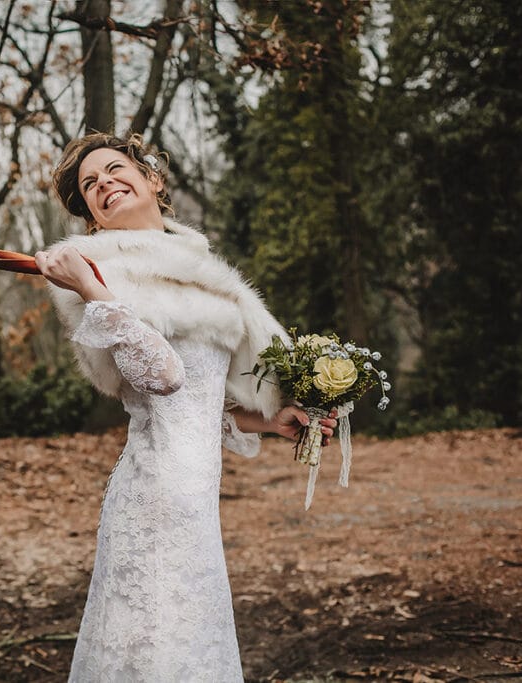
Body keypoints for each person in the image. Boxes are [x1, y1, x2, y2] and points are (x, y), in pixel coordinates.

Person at [35, 132, 337, 682]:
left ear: (152, 178)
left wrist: (269, 420)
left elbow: (198, 402)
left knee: (189, 643)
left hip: (196, 500)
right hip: (150, 497)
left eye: (113, 170)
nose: (104, 185)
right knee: (149, 647)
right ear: (93, 217)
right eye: (90, 186)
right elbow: (161, 378)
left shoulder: (204, 275)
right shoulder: (92, 273)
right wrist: (92, 289)